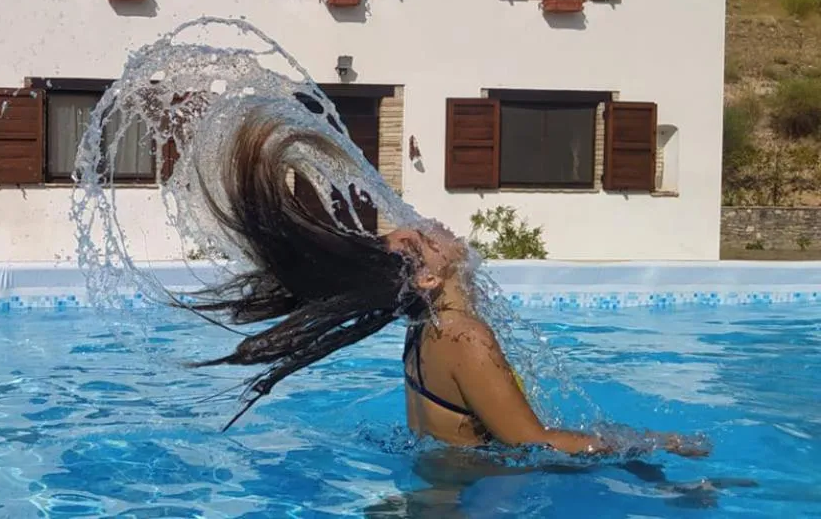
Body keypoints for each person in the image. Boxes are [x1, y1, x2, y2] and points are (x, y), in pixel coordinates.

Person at [180, 108, 708, 459]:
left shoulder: (426, 330)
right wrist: (649, 443)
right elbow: (534, 442)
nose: (429, 225)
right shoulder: (462, 336)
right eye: (423, 239)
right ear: (429, 277)